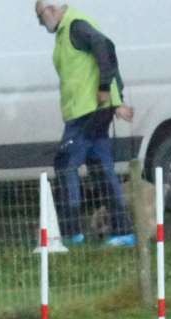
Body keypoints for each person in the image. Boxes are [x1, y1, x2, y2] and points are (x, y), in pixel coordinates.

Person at [35, 2, 136, 247]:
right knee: (101, 168)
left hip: (87, 111)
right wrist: (117, 99)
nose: (40, 23)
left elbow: (105, 47)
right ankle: (122, 232)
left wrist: (104, 88)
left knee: (66, 164)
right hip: (91, 111)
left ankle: (71, 232)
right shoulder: (67, 30)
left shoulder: (75, 27)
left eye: (39, 17)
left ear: (50, 10)